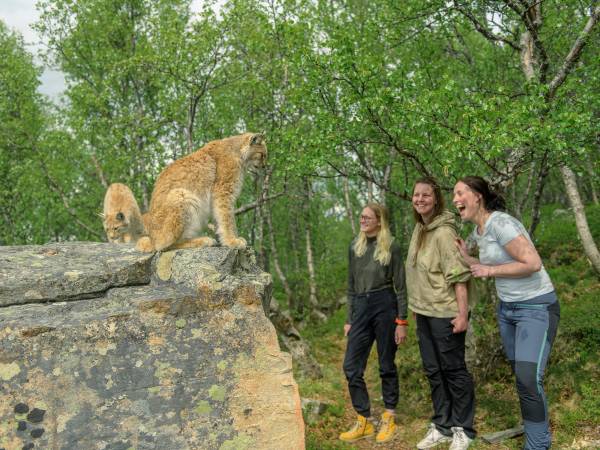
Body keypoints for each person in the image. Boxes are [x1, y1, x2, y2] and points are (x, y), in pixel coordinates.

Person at [453, 176, 560, 450]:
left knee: (527, 377)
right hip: (508, 310)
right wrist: (468, 259)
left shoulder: (501, 223)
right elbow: (495, 262)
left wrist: (488, 271)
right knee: (523, 376)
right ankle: (534, 425)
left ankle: (538, 444)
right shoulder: (480, 231)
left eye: (460, 193)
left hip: (536, 307)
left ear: (478, 197)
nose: (455, 200)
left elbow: (533, 263)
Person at [406, 177, 476, 450]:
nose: (420, 199)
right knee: (433, 371)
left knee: (453, 370)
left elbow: (459, 276)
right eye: (416, 195)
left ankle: (463, 429)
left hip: (445, 313)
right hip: (424, 312)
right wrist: (415, 310)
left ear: (436, 199)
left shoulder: (444, 232)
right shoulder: (420, 228)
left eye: (426, 195)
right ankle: (442, 426)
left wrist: (462, 315)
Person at [339, 202, 408, 444]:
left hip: (385, 305)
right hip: (360, 306)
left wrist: (402, 321)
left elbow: (400, 286)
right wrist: (349, 318)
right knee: (351, 367)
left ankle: (389, 415)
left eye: (368, 217)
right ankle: (364, 419)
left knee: (386, 364)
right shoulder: (354, 247)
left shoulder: (392, 246)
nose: (363, 220)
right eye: (361, 217)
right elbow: (350, 285)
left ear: (380, 221)